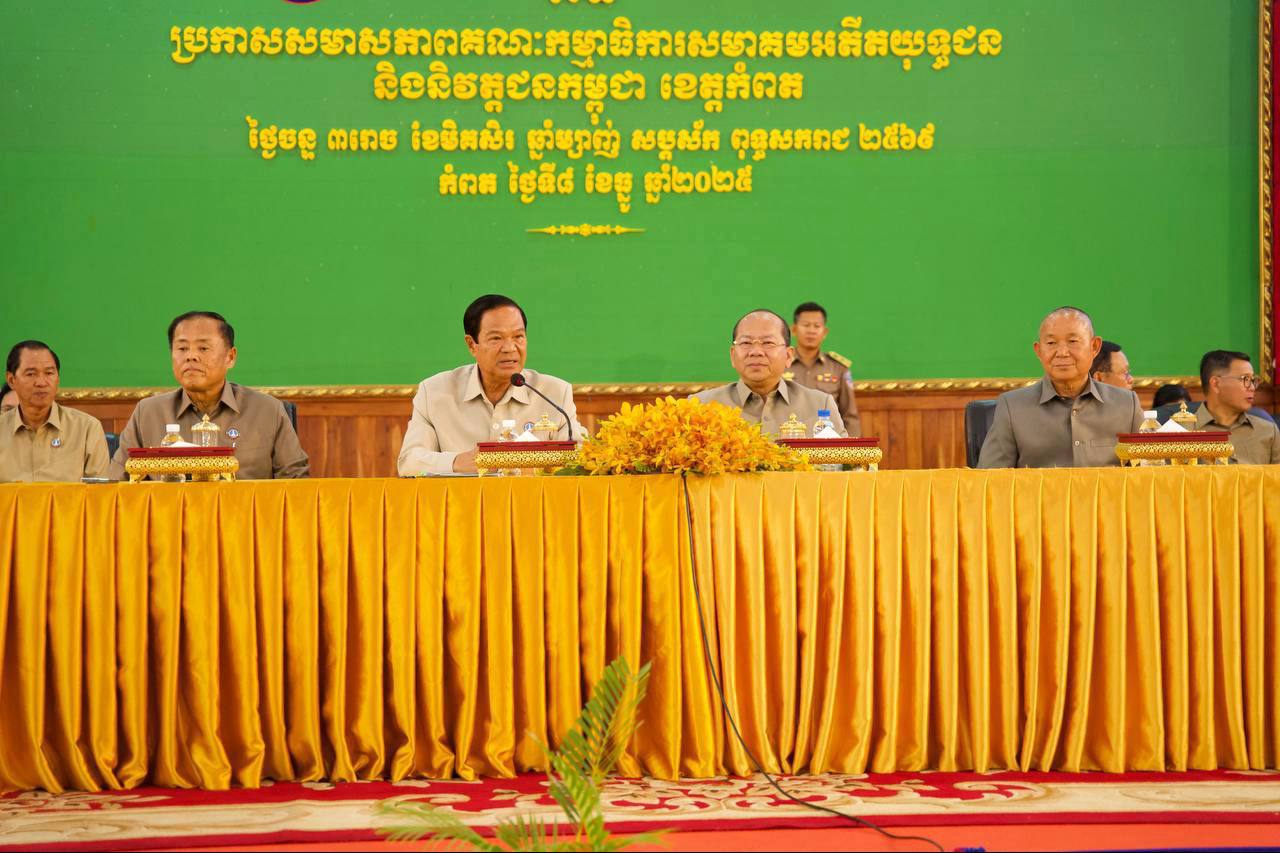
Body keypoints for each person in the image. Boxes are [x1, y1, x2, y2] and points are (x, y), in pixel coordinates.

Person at [108, 311, 309, 479]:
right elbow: (115, 485)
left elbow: (296, 484)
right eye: (182, 348)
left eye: (203, 348)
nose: (191, 356)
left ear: (230, 357)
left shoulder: (267, 411)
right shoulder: (148, 413)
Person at [398, 294, 580, 476]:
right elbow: (409, 462)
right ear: (472, 345)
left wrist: (529, 461)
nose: (510, 348)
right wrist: (457, 462)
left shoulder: (555, 393)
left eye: (518, 336)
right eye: (496, 339)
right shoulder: (434, 392)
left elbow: (581, 458)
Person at [978, 306, 1142, 468]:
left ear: (1094, 347)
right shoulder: (1012, 408)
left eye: (1073, 341)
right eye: (1051, 343)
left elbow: (1149, 474)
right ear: (1039, 351)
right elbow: (990, 479)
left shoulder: (1127, 405)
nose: (1062, 352)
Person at [694, 308, 847, 437]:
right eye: (746, 342)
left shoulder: (820, 406)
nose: (756, 352)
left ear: (788, 356)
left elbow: (842, 462)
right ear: (733, 355)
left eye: (768, 343)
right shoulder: (700, 407)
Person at [0, 340, 109, 482]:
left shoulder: (87, 429)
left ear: (58, 378)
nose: (41, 382)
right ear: (11, 380)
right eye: (31, 374)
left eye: (49, 373)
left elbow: (99, 493)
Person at [786, 301, 861, 436]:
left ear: (825, 332)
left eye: (817, 326)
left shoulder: (838, 368)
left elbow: (849, 416)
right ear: (794, 329)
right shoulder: (781, 364)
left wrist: (851, 447)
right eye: (806, 325)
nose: (811, 331)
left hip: (827, 442)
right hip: (789, 439)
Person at [1193, 350, 1280, 464]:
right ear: (1216, 384)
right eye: (1245, 379)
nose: (1252, 387)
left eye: (1253, 380)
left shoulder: (1268, 431)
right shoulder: (1180, 432)